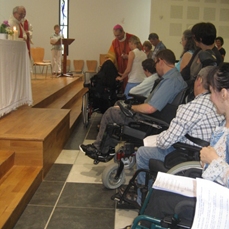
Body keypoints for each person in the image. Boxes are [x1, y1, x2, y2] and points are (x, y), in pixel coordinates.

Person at [137, 63, 229, 228]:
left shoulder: (194, 108)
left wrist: (213, 160)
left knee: (158, 200)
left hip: (217, 203)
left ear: (223, 93)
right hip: (208, 183)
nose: (210, 97)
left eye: (213, 91)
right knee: (159, 194)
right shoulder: (224, 123)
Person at [79, 49, 187, 160]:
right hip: (156, 117)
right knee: (118, 104)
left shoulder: (170, 82)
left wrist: (130, 107)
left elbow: (150, 108)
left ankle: (99, 149)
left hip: (151, 122)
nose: (155, 67)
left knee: (111, 112)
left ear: (161, 61)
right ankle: (107, 149)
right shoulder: (174, 78)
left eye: (155, 63)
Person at [107, 24, 134, 90]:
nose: (117, 37)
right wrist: (109, 60)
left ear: (123, 32)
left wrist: (128, 57)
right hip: (120, 67)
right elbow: (111, 54)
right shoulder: (114, 42)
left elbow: (138, 52)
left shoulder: (132, 38)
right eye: (115, 35)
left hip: (131, 67)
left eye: (118, 35)